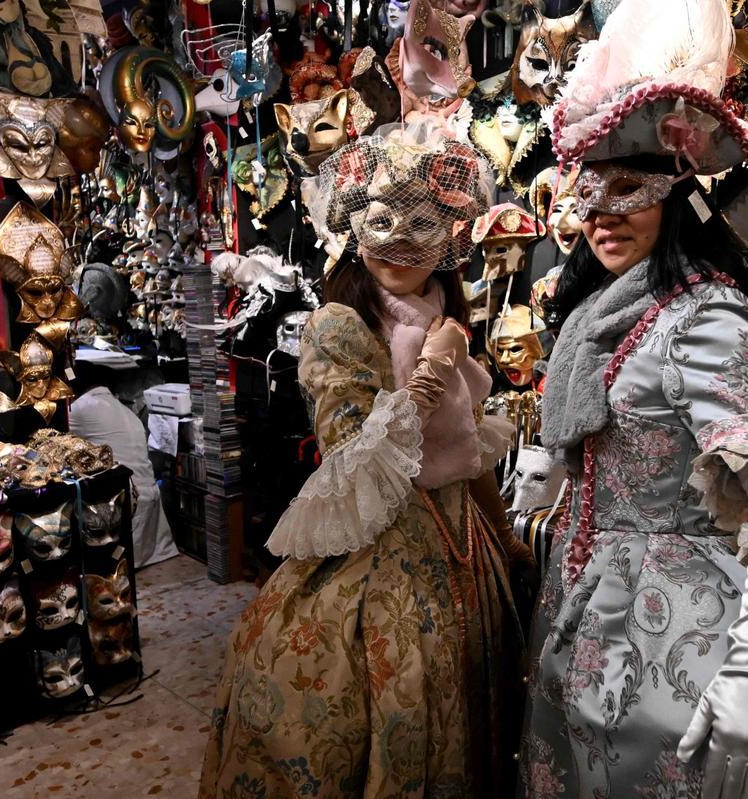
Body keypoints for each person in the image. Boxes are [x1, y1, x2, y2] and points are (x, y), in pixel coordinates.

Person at [518, 0, 748, 797]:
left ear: (678, 191)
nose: (604, 214)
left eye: (632, 187)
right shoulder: (598, 316)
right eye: (591, 190)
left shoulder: (704, 316)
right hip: (591, 609)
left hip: (678, 626)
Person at [199, 125, 532, 798]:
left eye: (422, 221)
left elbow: (466, 460)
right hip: (380, 568)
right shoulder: (338, 327)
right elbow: (352, 462)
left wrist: (501, 539)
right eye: (382, 220)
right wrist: (431, 376)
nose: (401, 240)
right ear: (354, 227)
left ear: (448, 237)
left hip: (463, 557)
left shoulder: (445, 319)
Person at [68, 359, 178, 568]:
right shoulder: (123, 410)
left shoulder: (82, 408)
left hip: (127, 502)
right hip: (150, 497)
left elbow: (54, 436)